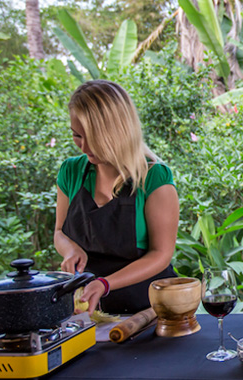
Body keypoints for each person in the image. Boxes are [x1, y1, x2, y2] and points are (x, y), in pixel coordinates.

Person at [54, 80, 179, 315]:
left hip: (149, 311)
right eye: (77, 135)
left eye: (93, 137)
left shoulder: (153, 178)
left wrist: (105, 283)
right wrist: (70, 250)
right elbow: (59, 232)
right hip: (90, 313)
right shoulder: (70, 172)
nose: (84, 147)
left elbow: (161, 255)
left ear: (118, 131)